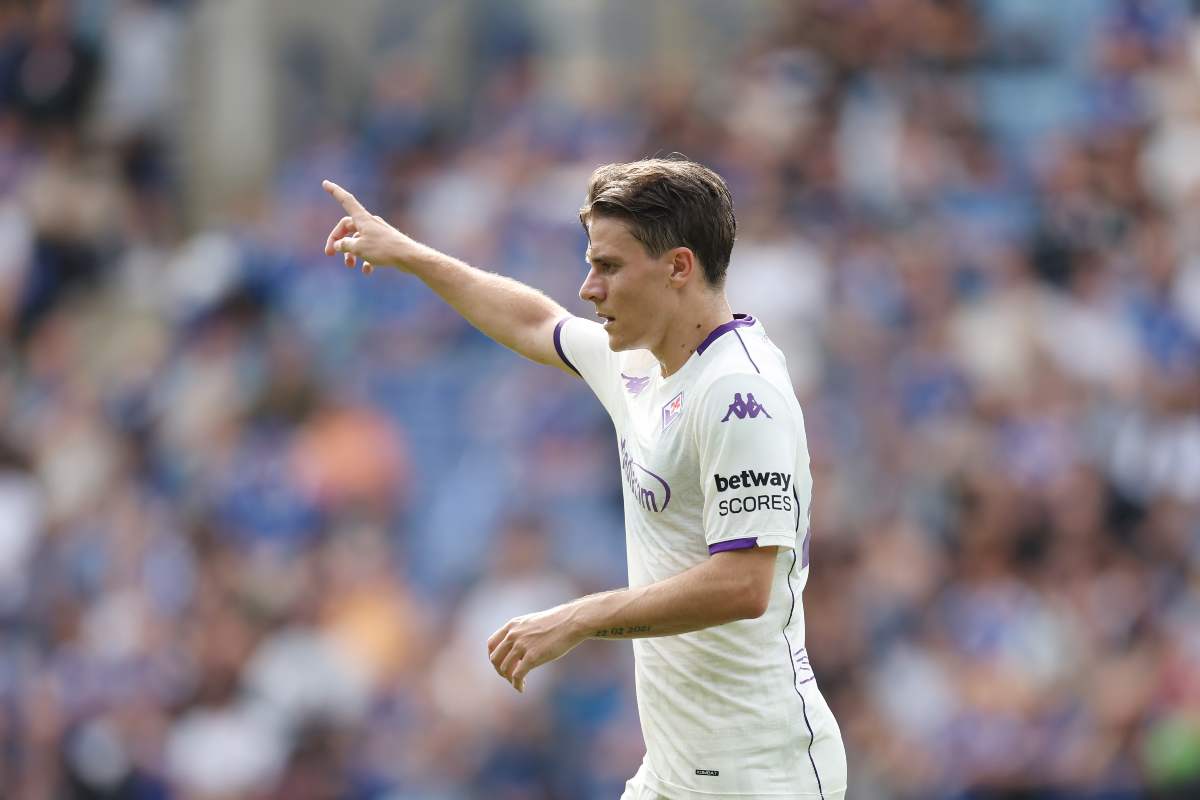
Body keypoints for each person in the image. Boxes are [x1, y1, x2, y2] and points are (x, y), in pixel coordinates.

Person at [322, 157, 847, 800]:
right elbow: (533, 322)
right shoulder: (641, 362)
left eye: (609, 266)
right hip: (678, 771)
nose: (588, 288)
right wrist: (409, 254)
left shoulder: (739, 390)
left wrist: (580, 618)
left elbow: (743, 583)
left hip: (759, 773)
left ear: (679, 267)